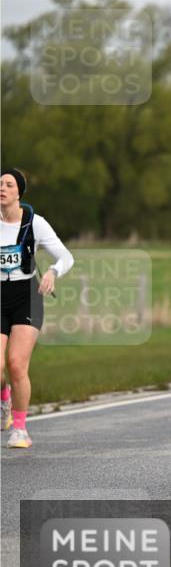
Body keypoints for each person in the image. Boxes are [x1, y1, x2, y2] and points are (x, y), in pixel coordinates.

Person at [1, 168, 75, 449]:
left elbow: (66, 257)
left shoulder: (35, 223)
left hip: (26, 295)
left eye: (9, 184)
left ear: (19, 192)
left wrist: (52, 272)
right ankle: (4, 402)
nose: (3, 188)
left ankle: (20, 429)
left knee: (16, 364)